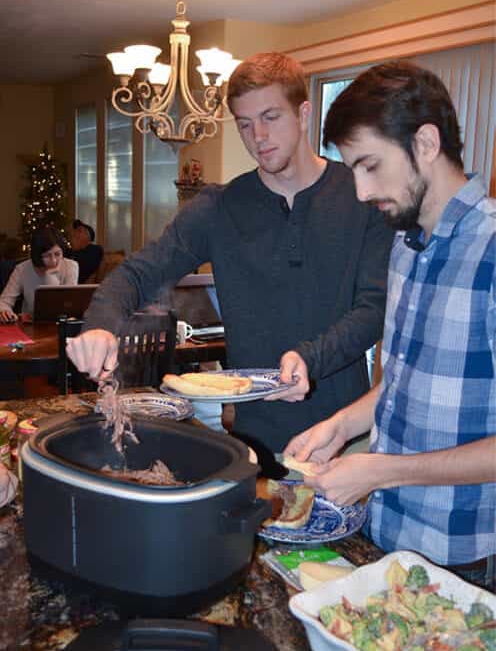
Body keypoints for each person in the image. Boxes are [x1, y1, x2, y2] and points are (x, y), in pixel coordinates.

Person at [67, 52, 394, 478]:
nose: (258, 135)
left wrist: (310, 358)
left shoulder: (362, 196)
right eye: (243, 123)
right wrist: (100, 323)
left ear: (304, 112)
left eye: (271, 117)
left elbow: (376, 309)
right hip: (253, 440)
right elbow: (138, 272)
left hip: (346, 438)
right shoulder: (219, 207)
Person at [285, 61, 495, 589]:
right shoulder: (404, 245)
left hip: (461, 560)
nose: (359, 191)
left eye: (370, 165)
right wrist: (345, 424)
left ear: (425, 143)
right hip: (386, 531)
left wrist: (381, 469)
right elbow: (408, 382)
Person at [0, 226, 78, 322]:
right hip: (30, 325)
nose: (54, 260)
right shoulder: (22, 269)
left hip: (61, 324)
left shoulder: (71, 266)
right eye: (47, 255)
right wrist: (4, 311)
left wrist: (51, 279)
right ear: (37, 255)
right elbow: (4, 301)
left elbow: (66, 307)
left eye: (57, 254)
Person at [68, 218, 103, 283]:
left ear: (88, 236)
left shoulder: (95, 249)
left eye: (79, 231)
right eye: (74, 231)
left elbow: (83, 272)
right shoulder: (70, 252)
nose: (75, 234)